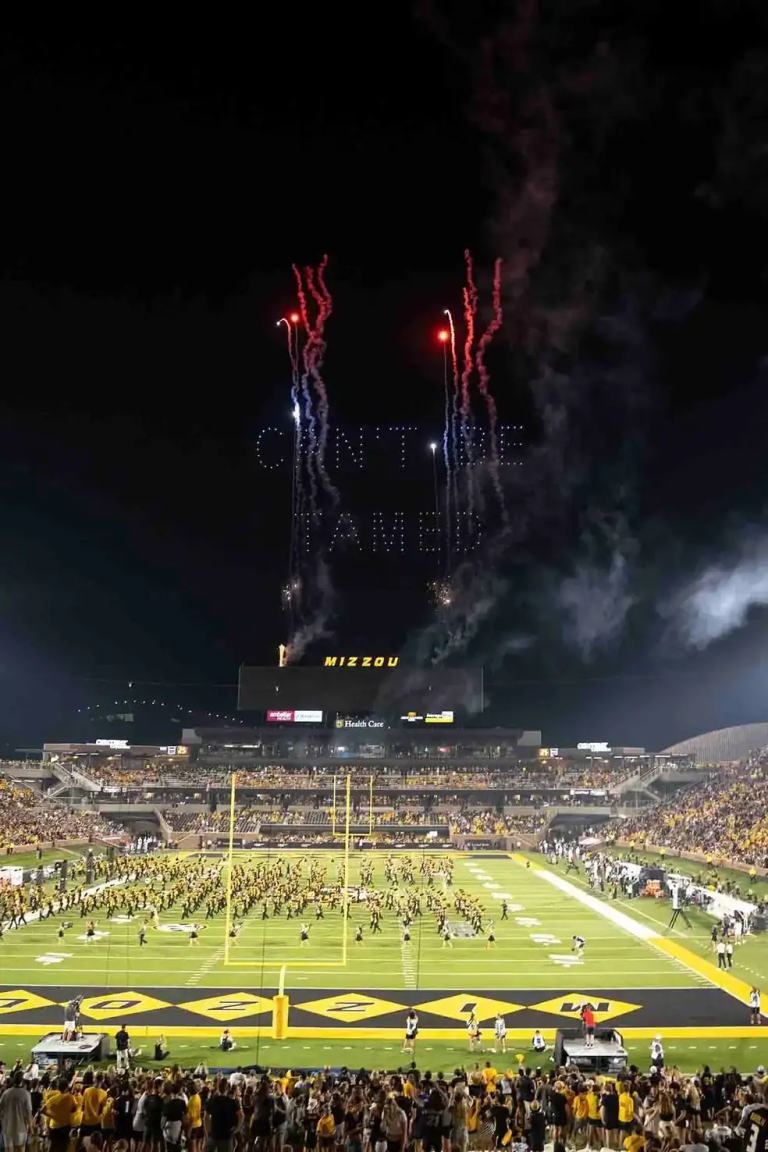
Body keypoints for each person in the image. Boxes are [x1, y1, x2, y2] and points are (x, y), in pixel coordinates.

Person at [204, 1077, 242, 1152]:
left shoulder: (212, 1101)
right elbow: (241, 1115)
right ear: (228, 1088)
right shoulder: (232, 1102)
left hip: (214, 1134)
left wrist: (209, 1131)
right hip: (226, 1135)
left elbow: (206, 1117)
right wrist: (236, 1129)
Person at [43, 1074, 79, 1152]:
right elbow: (75, 1108)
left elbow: (43, 1110)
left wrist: (53, 1116)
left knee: (53, 1146)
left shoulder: (53, 1099)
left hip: (54, 1126)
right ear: (66, 1088)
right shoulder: (70, 1097)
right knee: (63, 1147)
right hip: (65, 1126)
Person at [0, 1069, 32, 1152]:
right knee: (20, 1149)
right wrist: (31, 1128)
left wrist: (2, 1121)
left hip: (7, 1128)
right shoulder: (26, 1094)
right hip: (20, 1128)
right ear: (22, 1081)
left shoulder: (6, 1093)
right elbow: (29, 1113)